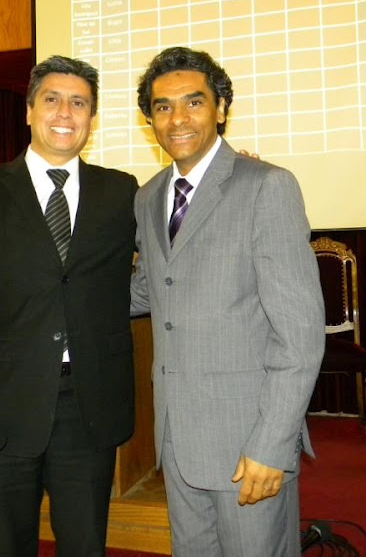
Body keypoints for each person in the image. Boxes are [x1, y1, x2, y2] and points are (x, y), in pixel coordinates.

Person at [0, 55, 138, 556]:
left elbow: (176, 235)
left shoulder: (121, 192)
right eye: (52, 99)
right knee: (4, 544)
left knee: (84, 545)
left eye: (79, 103)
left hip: (87, 404)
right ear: (28, 110)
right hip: (1, 405)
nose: (65, 112)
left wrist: (229, 183)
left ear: (92, 117)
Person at [130, 47, 325, 557]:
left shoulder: (267, 186)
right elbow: (151, 288)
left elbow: (300, 336)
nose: (178, 118)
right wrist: (60, 286)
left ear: (220, 108)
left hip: (247, 442)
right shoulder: (148, 196)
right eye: (163, 106)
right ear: (150, 118)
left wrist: (272, 443)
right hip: (177, 438)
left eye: (193, 102)